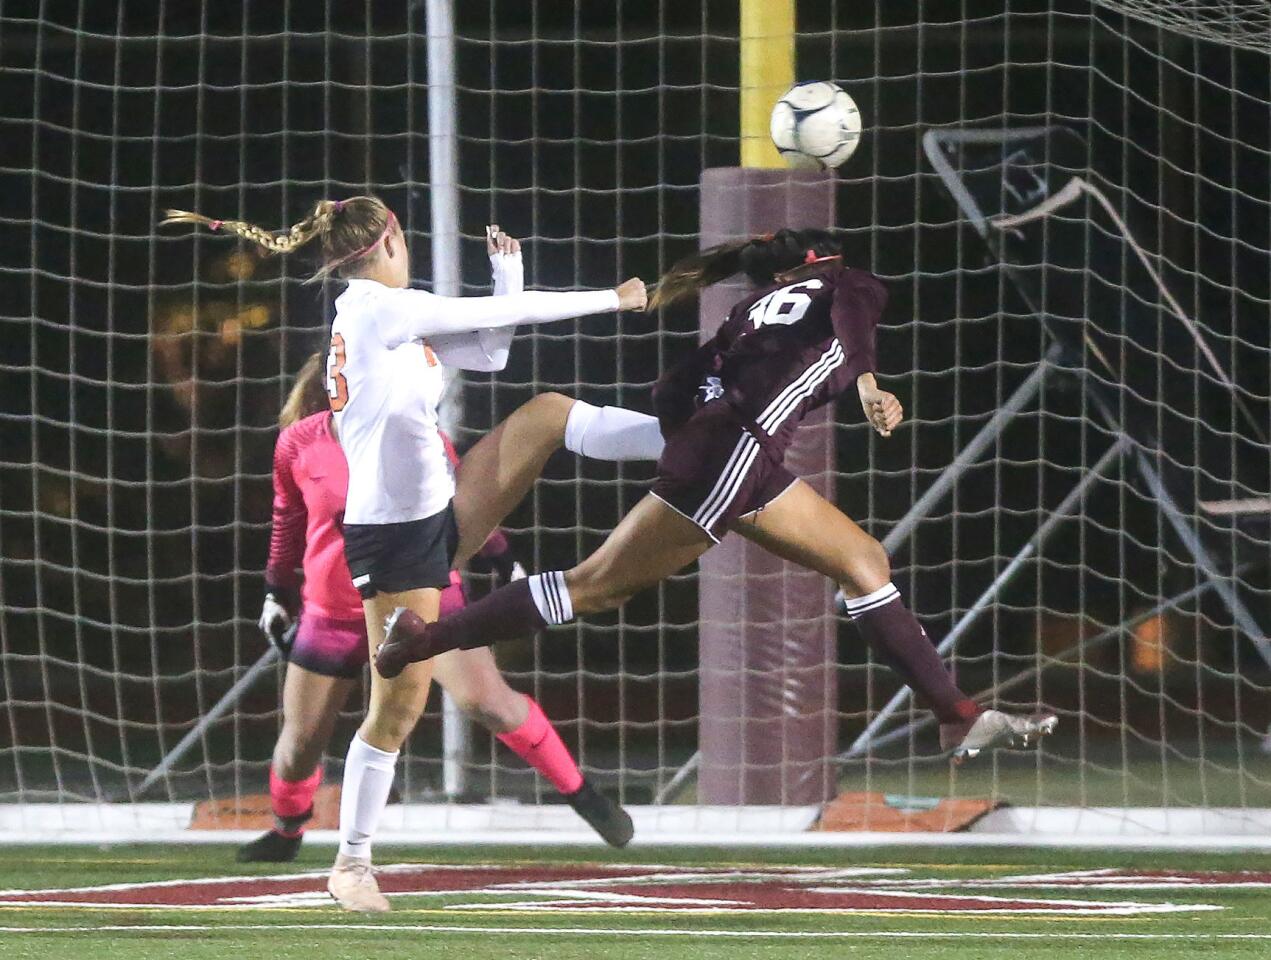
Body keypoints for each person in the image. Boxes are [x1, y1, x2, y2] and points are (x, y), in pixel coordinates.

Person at [375, 228, 1058, 764]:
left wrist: (695, 435)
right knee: (595, 587)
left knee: (863, 561)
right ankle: (423, 636)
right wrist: (869, 385)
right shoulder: (848, 281)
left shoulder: (746, 311)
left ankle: (956, 716)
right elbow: (852, 331)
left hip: (734, 451)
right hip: (738, 453)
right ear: (822, 262)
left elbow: (671, 390)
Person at [162, 198, 656, 912]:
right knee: (397, 707)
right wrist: (614, 298)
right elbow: (502, 324)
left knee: (547, 413)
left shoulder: (383, 320)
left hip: (435, 516)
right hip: (396, 536)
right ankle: (351, 864)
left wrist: (505, 276)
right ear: (390, 237)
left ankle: (684, 446)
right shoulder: (376, 310)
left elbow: (492, 351)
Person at [236, 353, 632, 864]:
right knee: (300, 743)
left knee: (488, 700)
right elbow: (287, 516)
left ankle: (585, 796)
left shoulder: (415, 434)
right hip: (333, 610)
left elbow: (462, 505)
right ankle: (287, 832)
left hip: (421, 597)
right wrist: (275, 590)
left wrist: (503, 560)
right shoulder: (300, 442)